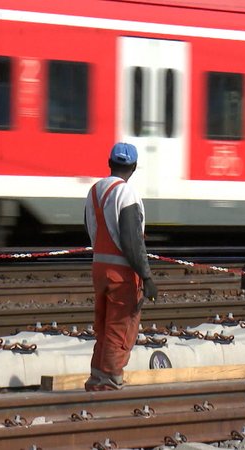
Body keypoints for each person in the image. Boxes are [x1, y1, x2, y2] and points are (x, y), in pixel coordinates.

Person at [83, 142, 158, 391]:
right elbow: (132, 240)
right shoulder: (127, 193)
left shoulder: (94, 190)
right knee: (120, 326)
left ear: (109, 162)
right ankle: (110, 379)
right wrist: (146, 276)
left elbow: (90, 228)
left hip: (99, 267)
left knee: (103, 325)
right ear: (134, 167)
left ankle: (97, 375)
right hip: (122, 272)